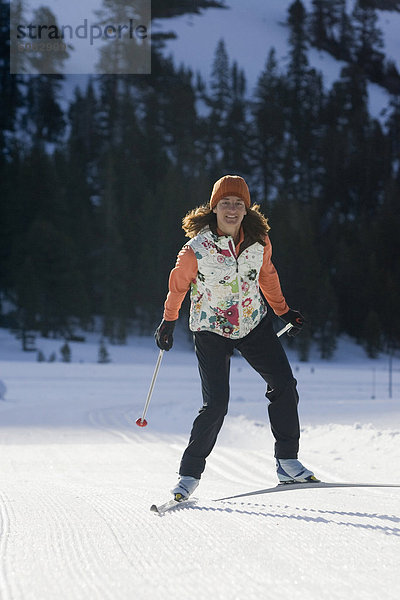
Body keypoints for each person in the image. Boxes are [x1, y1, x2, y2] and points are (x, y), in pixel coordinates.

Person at [155, 175, 318, 501]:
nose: (232, 209)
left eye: (238, 204)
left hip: (253, 325)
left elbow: (267, 276)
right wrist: (168, 321)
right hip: (211, 329)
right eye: (225, 203)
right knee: (216, 405)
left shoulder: (259, 241)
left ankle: (287, 461)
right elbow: (178, 286)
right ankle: (188, 477)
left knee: (284, 385)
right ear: (214, 208)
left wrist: (283, 312)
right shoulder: (195, 250)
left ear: (246, 209)